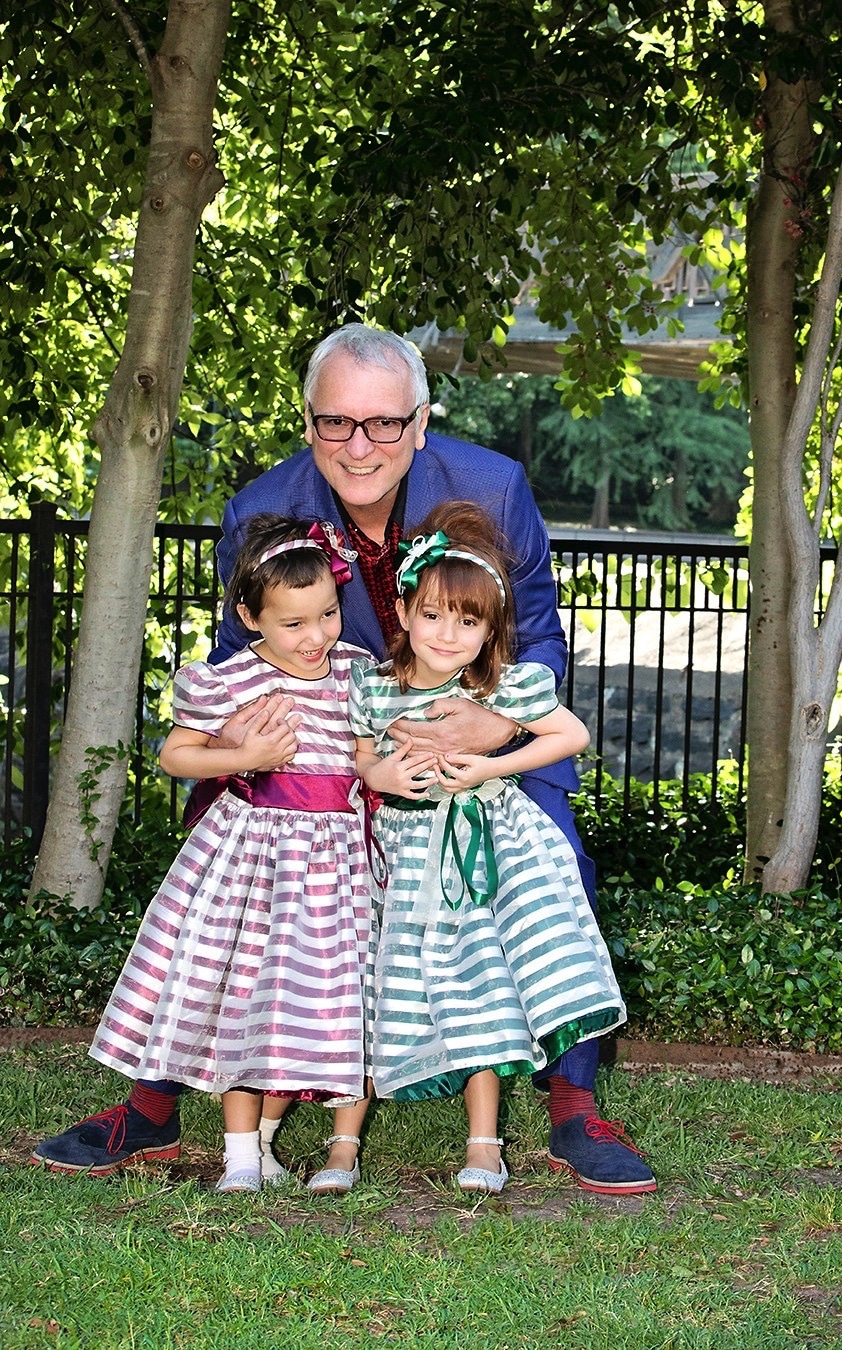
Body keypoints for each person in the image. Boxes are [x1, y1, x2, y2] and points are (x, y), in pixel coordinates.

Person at [33, 322, 656, 1195]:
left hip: (481, 736)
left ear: (421, 421)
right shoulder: (263, 506)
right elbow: (234, 654)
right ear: (308, 421)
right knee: (228, 882)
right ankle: (152, 1108)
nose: (359, 446)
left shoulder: (492, 487)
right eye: (335, 424)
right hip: (332, 746)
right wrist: (242, 751)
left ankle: (572, 1104)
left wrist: (491, 726)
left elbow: (541, 635)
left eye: (382, 424)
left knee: (559, 861)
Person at [34, 514, 379, 1193]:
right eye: (294, 624)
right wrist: (245, 754)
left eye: (328, 615)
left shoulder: (356, 672)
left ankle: (273, 1140)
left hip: (331, 864)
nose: (316, 637)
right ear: (250, 617)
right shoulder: (227, 680)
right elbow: (174, 753)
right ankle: (241, 1156)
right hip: (250, 858)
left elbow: (370, 753)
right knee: (240, 990)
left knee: (312, 996)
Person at [313, 502, 628, 1197]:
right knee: (369, 986)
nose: (447, 634)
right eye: (432, 615)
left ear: (490, 628)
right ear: (402, 609)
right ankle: (342, 1146)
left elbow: (568, 735)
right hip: (396, 851)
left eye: (468, 620)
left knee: (477, 985)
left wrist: (490, 764)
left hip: (477, 854)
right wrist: (381, 774)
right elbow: (361, 757)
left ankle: (484, 1145)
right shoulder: (370, 685)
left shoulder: (498, 687)